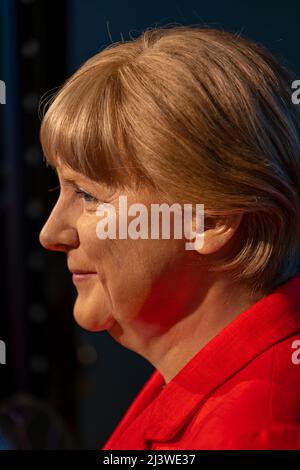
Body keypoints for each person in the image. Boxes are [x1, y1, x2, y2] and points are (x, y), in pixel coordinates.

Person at [39, 26, 300, 450]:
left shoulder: (251, 433)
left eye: (88, 194)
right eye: (60, 189)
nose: (51, 233)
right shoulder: (204, 384)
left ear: (210, 219)